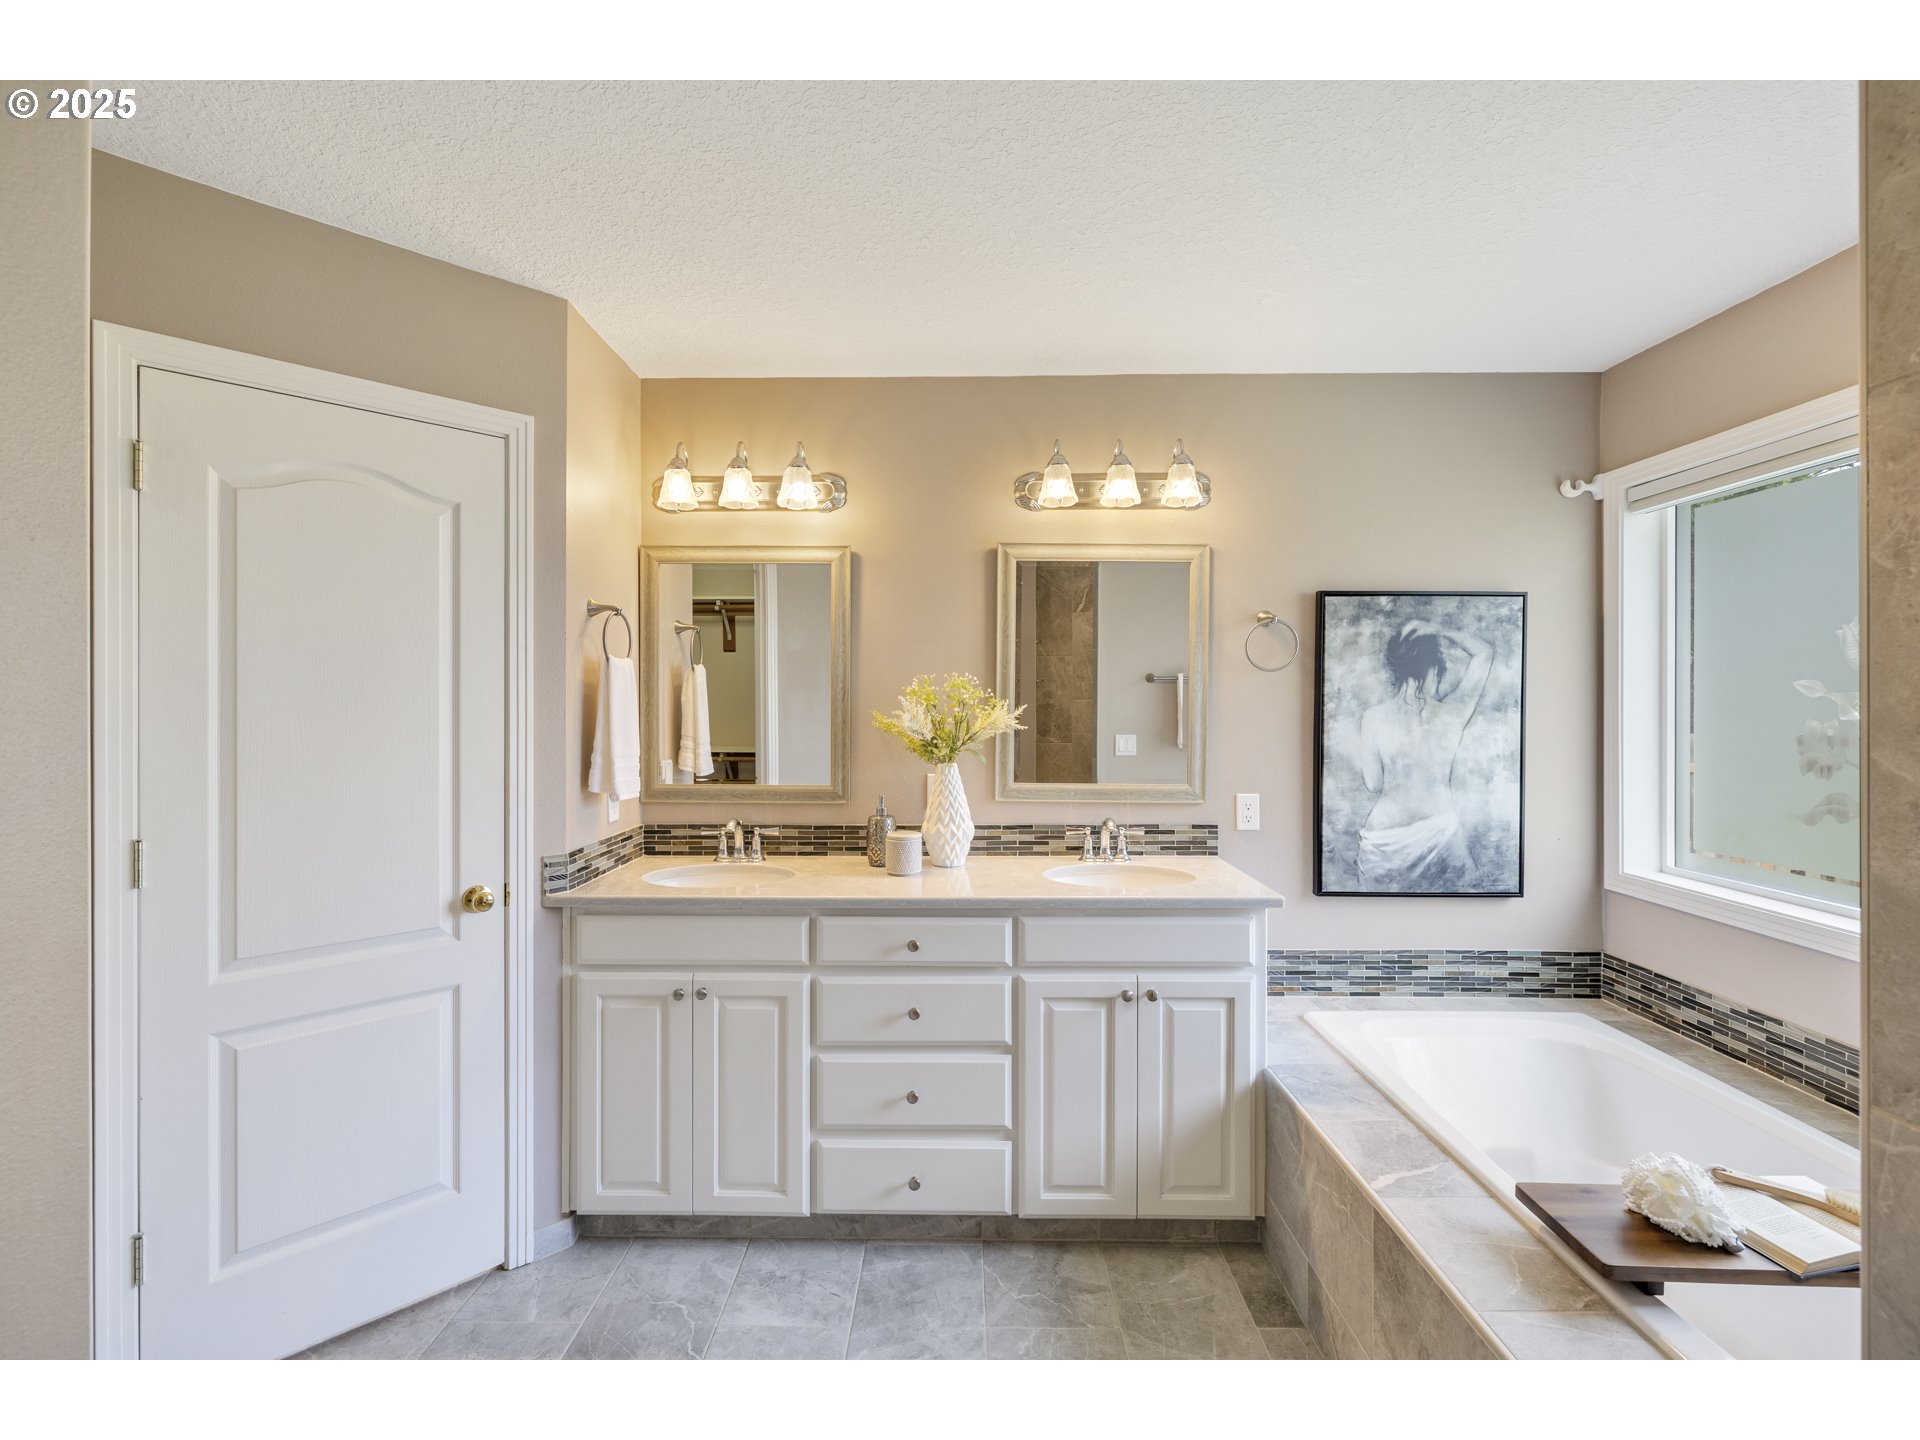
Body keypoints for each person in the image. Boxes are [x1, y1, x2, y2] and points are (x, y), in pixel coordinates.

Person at [1354, 617, 1493, 890]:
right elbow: (1484, 652)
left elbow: (1374, 784)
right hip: (1441, 831)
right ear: (1435, 669)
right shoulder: (1453, 713)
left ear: (1398, 671)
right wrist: (1440, 629)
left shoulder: (1373, 718)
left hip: (1385, 839)